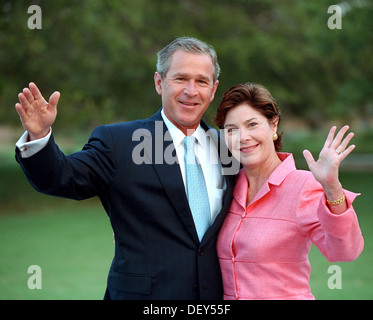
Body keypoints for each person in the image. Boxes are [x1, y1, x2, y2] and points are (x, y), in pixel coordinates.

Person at [14, 37, 237, 300]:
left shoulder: (230, 148)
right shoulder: (119, 143)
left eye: (201, 81)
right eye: (180, 79)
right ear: (158, 82)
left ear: (213, 89)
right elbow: (63, 178)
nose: (191, 90)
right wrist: (39, 136)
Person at [214, 82, 364, 300]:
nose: (242, 137)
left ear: (273, 125)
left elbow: (345, 251)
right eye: (231, 130)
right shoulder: (228, 186)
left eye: (252, 124)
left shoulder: (302, 186)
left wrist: (332, 188)